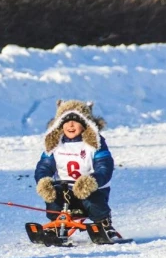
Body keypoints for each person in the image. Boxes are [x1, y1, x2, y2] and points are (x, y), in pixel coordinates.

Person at [34, 100, 118, 238]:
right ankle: (56, 224)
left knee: (92, 200)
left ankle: (104, 223)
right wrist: (44, 180)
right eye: (65, 122)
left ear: (85, 124)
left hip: (90, 189)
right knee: (53, 197)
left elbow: (104, 166)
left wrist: (91, 181)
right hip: (65, 188)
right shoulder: (55, 144)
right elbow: (44, 165)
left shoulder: (95, 144)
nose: (70, 125)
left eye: (76, 121)